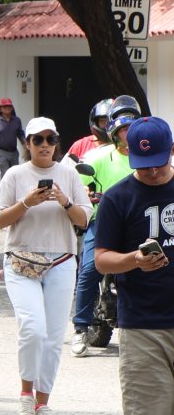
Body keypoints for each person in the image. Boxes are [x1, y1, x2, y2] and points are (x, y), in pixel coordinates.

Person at [93, 116, 174, 415]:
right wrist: (133, 261)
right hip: (142, 322)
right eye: (143, 165)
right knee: (155, 414)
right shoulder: (117, 197)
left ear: (171, 150)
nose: (153, 170)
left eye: (158, 160)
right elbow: (102, 260)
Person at [0, 118, 91, 415]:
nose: (45, 145)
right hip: (22, 261)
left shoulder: (68, 174)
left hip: (61, 261)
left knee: (51, 337)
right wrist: (27, 202)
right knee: (33, 327)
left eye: (50, 139)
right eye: (38, 139)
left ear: (57, 142)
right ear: (27, 144)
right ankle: (25, 395)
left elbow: (84, 220)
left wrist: (64, 200)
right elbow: (0, 220)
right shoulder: (15, 174)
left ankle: (43, 402)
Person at [71, 112, 137, 356]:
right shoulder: (98, 157)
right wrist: (85, 195)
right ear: (114, 133)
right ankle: (80, 328)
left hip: (138, 223)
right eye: (124, 129)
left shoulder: (148, 156)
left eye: (133, 127)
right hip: (104, 221)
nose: (128, 133)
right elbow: (76, 184)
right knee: (89, 269)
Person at [0, 97, 26, 176]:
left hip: (14, 152)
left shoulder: (17, 120)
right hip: (1, 152)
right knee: (6, 175)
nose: (7, 108)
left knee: (15, 175)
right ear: (0, 108)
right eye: (5, 106)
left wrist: (26, 147)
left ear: (12, 108)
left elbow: (21, 134)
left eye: (9, 106)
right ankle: (5, 188)